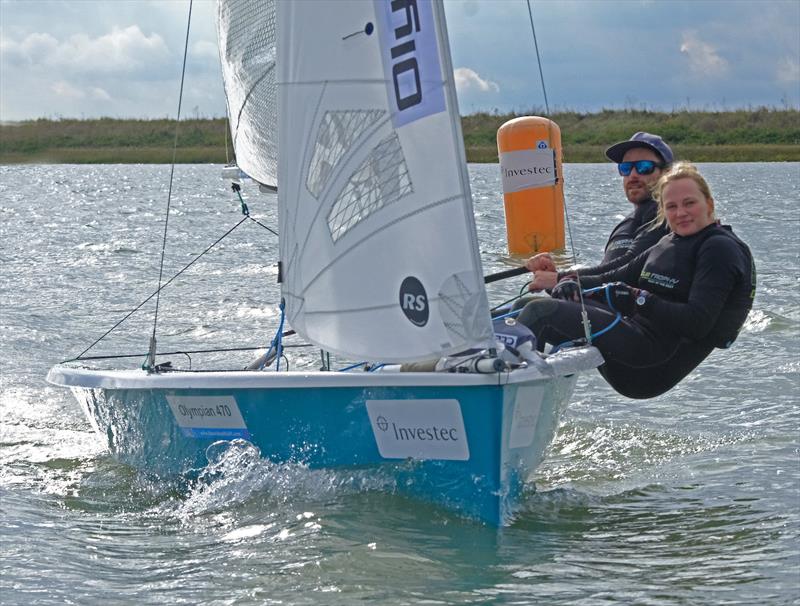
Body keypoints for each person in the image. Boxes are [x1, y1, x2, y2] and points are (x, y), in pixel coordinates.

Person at [515, 162, 756, 399]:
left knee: (539, 312)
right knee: (523, 307)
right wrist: (567, 281)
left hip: (650, 363)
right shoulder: (669, 241)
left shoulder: (720, 249)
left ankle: (510, 396)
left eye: (689, 203)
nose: (680, 213)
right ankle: (499, 387)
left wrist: (638, 300)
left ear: (709, 205)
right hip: (628, 340)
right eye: (671, 206)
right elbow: (614, 276)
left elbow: (698, 323)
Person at [527, 132, 673, 291]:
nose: (633, 175)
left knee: (536, 309)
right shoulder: (627, 223)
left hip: (636, 311)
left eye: (644, 167)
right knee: (523, 305)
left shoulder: (670, 218)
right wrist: (558, 282)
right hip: (604, 307)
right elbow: (603, 278)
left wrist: (560, 278)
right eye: (625, 168)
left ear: (666, 173)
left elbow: (628, 266)